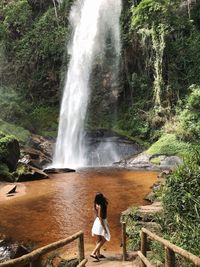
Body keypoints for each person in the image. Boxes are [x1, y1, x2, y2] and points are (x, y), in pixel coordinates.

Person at [90, 192, 111, 261]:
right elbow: (100, 217)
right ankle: (93, 252)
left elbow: (97, 216)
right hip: (100, 223)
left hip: (97, 222)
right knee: (104, 239)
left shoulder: (96, 204)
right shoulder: (101, 206)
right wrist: (104, 228)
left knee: (99, 239)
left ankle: (98, 254)